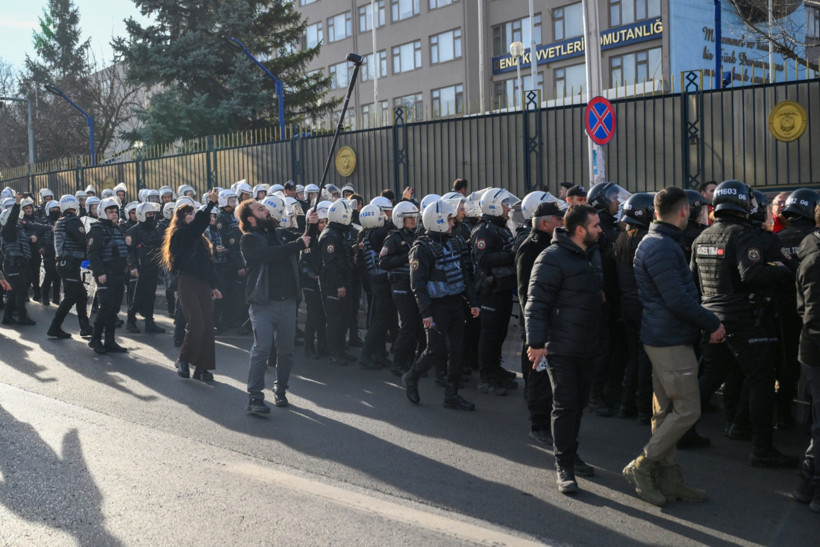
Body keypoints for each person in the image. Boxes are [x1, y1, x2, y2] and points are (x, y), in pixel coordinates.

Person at [624, 187, 724, 507]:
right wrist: (712, 324)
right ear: (684, 211)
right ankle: (642, 466)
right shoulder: (663, 247)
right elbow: (678, 299)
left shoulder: (655, 242)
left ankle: (669, 476)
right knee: (688, 409)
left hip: (662, 336)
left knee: (665, 411)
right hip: (670, 340)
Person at [691, 180, 797, 468]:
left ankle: (684, 430)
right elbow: (751, 274)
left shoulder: (702, 238)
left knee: (711, 377)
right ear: (744, 204)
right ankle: (762, 449)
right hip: (743, 320)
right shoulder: (743, 235)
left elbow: (694, 280)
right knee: (760, 379)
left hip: (711, 317)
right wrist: (781, 269)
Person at [525, 204, 603, 494]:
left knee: (578, 405)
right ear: (580, 229)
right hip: (560, 348)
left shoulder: (591, 254)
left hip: (587, 344)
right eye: (595, 225)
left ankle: (571, 453)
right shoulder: (551, 257)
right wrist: (536, 344)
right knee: (565, 405)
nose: (600, 229)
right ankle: (564, 467)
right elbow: (537, 303)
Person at [238, 197, 313, 414]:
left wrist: (310, 223)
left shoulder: (279, 233)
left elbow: (305, 238)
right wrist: (297, 245)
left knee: (286, 351)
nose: (266, 211)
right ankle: (254, 397)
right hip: (263, 303)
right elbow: (268, 255)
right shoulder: (249, 240)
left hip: (288, 302)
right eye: (261, 209)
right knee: (261, 349)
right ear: (251, 218)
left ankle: (280, 390)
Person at [402, 200, 479, 410]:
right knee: (434, 350)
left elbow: (465, 274)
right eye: (449, 220)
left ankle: (451, 395)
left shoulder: (455, 242)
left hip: (455, 304)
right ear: (437, 221)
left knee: (457, 350)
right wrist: (426, 312)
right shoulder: (422, 249)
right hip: (436, 308)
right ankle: (412, 377)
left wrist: (473, 302)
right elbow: (417, 285)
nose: (452, 224)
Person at [516, 201, 564, 445]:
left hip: (549, 321)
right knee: (539, 375)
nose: (562, 222)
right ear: (545, 222)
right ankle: (538, 424)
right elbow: (526, 292)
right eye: (558, 219)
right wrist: (533, 326)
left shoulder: (550, 245)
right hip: (538, 323)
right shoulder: (531, 247)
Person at [162, 189, 222, 381]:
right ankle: (184, 359)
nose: (191, 216)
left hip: (203, 284)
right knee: (196, 323)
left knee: (208, 326)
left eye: (192, 213)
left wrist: (214, 286)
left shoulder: (201, 240)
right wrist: (210, 204)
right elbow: (196, 228)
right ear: (180, 218)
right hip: (186, 282)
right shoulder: (180, 234)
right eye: (188, 214)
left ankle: (202, 367)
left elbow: (208, 264)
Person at [472, 188, 520, 396]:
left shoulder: (500, 227)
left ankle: (495, 369)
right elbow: (484, 258)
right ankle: (486, 377)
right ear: (493, 205)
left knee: (500, 331)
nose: (508, 208)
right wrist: (511, 254)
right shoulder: (483, 230)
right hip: (490, 290)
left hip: (503, 288)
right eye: (504, 204)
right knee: (489, 334)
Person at [614, 193, 655, 424]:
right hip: (641, 304)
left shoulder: (622, 239)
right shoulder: (644, 241)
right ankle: (642, 408)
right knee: (645, 357)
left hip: (626, 303)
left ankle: (626, 404)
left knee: (633, 356)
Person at [793, 208, 820, 512]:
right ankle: (813, 489)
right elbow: (813, 315)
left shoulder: (811, 248)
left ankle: (807, 485)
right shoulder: (816, 259)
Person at [380, 201, 424, 376]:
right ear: (400, 220)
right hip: (400, 285)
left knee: (415, 325)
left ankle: (408, 360)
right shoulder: (393, 239)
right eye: (409, 218)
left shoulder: (416, 236)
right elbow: (383, 262)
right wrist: (405, 257)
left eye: (414, 217)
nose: (413, 221)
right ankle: (397, 362)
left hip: (413, 284)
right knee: (407, 325)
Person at [86, 197, 130, 353]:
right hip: (106, 274)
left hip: (118, 274)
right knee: (106, 307)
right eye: (111, 211)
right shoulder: (97, 230)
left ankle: (110, 340)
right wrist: (100, 273)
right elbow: (93, 253)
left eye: (116, 211)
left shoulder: (117, 229)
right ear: (103, 213)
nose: (114, 214)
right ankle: (95, 339)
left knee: (114, 308)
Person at [48, 194, 92, 338]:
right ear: (75, 207)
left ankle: (84, 326)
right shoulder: (74, 221)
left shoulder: (60, 221)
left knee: (81, 295)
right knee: (71, 297)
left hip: (64, 263)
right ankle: (55, 326)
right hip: (70, 263)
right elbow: (82, 240)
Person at [357, 203, 395, 369]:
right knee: (380, 321)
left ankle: (379, 354)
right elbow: (390, 226)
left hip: (379, 281)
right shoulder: (376, 233)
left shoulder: (369, 233)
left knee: (384, 319)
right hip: (380, 282)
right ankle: (366, 355)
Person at [319, 199, 356, 365]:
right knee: (334, 320)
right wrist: (339, 284)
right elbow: (331, 264)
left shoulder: (339, 233)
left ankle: (341, 349)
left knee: (343, 318)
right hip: (334, 284)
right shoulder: (330, 236)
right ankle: (334, 352)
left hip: (344, 280)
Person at [125, 202, 165, 334]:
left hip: (152, 268)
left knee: (150, 296)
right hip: (138, 269)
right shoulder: (133, 231)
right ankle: (131, 321)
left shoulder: (155, 230)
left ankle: (149, 322)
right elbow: (129, 251)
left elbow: (159, 247)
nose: (151, 216)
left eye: (152, 214)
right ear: (141, 215)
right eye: (148, 214)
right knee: (135, 296)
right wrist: (133, 266)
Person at [1, 194, 35, 326]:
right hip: (13, 264)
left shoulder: (16, 228)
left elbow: (33, 226)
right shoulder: (7, 230)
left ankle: (7, 317)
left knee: (14, 291)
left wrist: (49, 228)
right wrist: (16, 203)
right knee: (20, 291)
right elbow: (12, 218)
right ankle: (22, 316)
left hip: (20, 264)